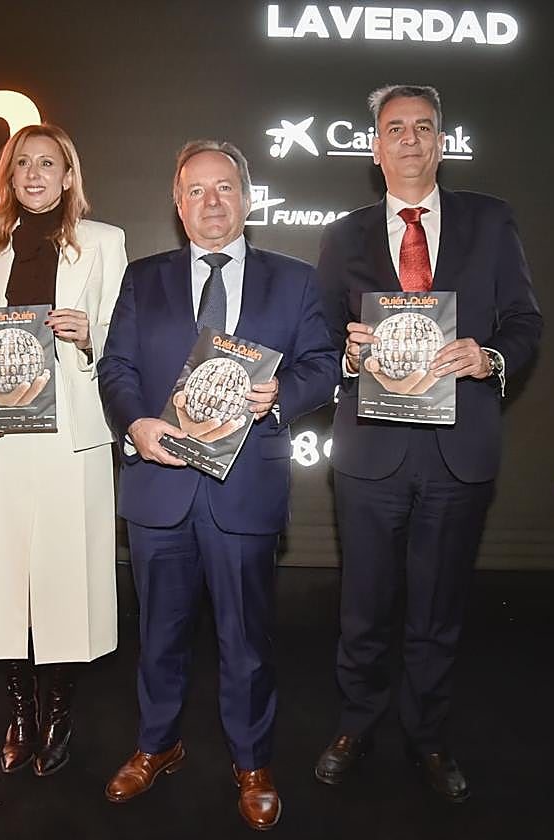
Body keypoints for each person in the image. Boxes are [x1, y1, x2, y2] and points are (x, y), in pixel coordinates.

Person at [98, 140, 338, 830]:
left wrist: (281, 395)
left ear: (248, 197)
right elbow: (116, 368)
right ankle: (157, 746)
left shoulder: (292, 281)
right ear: (177, 206)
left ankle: (252, 761)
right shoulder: (143, 278)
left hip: (245, 489)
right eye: (195, 190)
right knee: (160, 633)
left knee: (247, 640)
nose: (211, 201)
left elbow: (323, 365)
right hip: (160, 485)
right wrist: (137, 424)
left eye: (224, 187)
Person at [314, 84, 542, 802]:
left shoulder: (491, 221)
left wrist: (491, 358)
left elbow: (526, 324)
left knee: (439, 611)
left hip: (458, 448)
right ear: (374, 147)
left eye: (422, 127)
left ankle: (428, 736)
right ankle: (356, 724)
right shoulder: (341, 235)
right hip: (371, 454)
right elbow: (319, 342)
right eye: (394, 128)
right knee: (364, 606)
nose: (409, 139)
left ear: (441, 140)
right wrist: (348, 357)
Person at [0, 124, 126, 777]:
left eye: (48, 162)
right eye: (22, 162)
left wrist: (91, 334)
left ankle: (59, 713)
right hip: (2, 435)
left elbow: (124, 342)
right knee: (6, 581)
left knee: (63, 581)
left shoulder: (104, 243)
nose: (34, 172)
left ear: (69, 174)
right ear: (9, 175)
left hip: (72, 438)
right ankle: (20, 713)